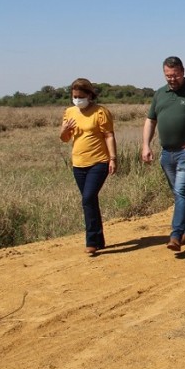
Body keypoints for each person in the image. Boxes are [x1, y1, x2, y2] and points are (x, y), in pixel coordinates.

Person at [142, 56, 185, 252]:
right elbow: (150, 121)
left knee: (181, 191)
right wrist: (146, 145)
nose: (171, 79)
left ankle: (176, 234)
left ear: (183, 71)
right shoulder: (159, 94)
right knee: (179, 194)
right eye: (167, 76)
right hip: (167, 154)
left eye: (175, 75)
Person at [59, 78, 117, 255]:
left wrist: (113, 158)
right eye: (75, 96)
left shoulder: (101, 112)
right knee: (90, 201)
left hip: (98, 162)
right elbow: (64, 138)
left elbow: (108, 135)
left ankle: (91, 241)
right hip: (78, 163)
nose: (77, 99)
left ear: (90, 95)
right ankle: (99, 239)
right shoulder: (69, 112)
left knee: (88, 198)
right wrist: (64, 130)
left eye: (81, 96)